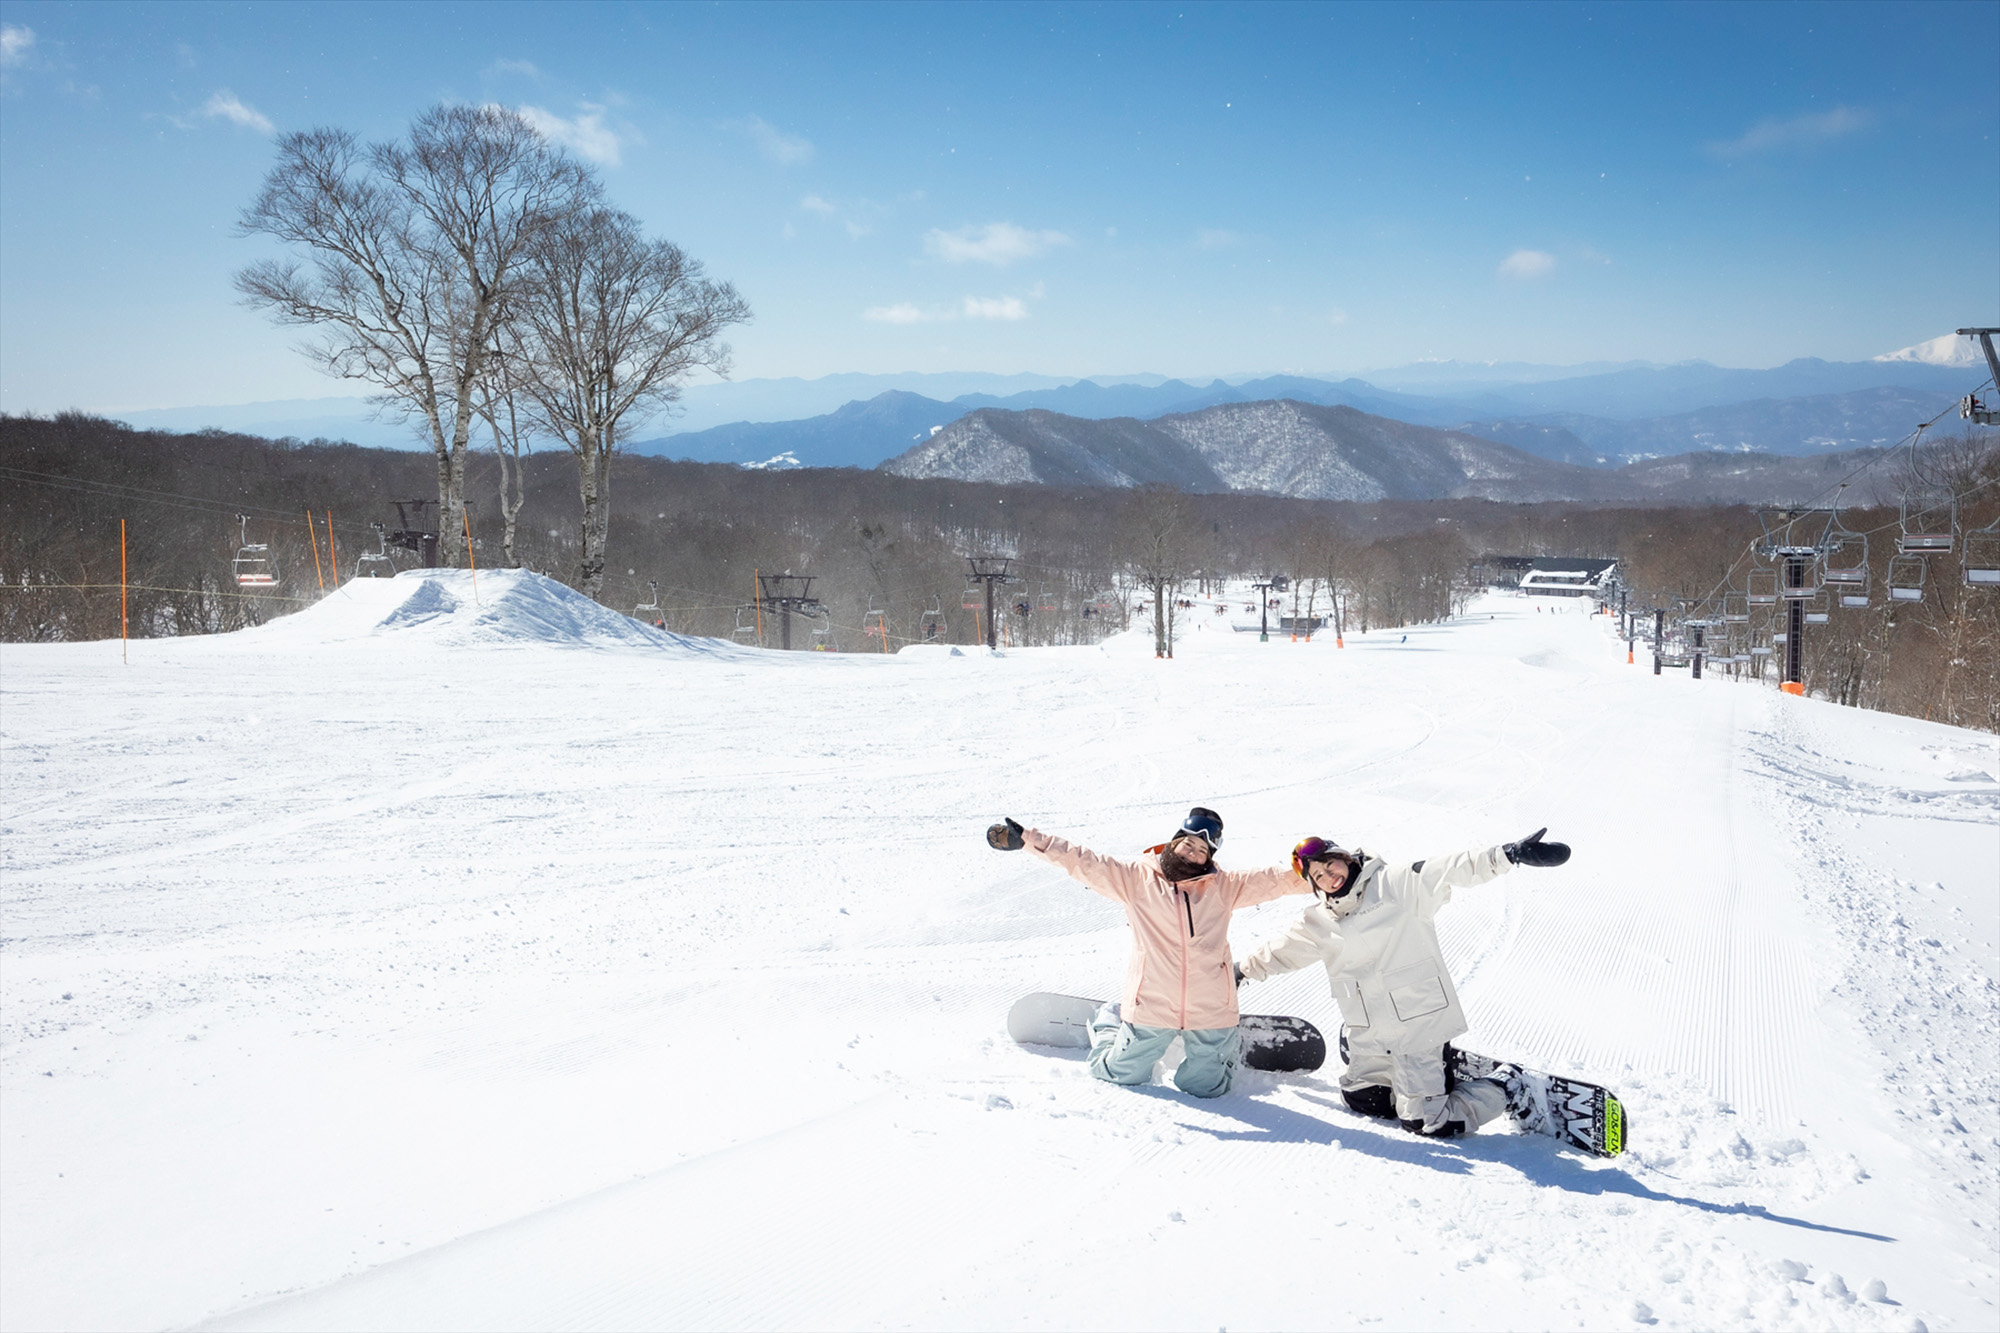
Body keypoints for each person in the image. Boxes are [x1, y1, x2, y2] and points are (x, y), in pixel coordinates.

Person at [1234, 827, 1571, 1137]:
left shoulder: (1394, 884)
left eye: (1328, 865)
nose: (1328, 877)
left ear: (1344, 857)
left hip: (1417, 1025)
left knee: (1427, 1122)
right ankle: (1422, 1079)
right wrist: (1240, 971)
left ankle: (1507, 1087)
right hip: (1368, 1030)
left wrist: (1508, 854)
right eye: (1317, 876)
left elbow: (1449, 867)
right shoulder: (1321, 920)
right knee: (1363, 1099)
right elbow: (1280, 951)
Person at [987, 806, 1310, 1098]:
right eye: (1188, 843)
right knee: (1119, 1075)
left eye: (1202, 849)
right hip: (1153, 1002)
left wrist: (1329, 873)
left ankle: (1221, 1050)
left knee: (1207, 1089)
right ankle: (1111, 1024)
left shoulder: (1222, 886)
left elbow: (1276, 881)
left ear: (1209, 857)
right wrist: (1029, 841)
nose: (1193, 852)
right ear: (1173, 842)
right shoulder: (1135, 879)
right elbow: (1081, 860)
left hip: (1211, 1005)